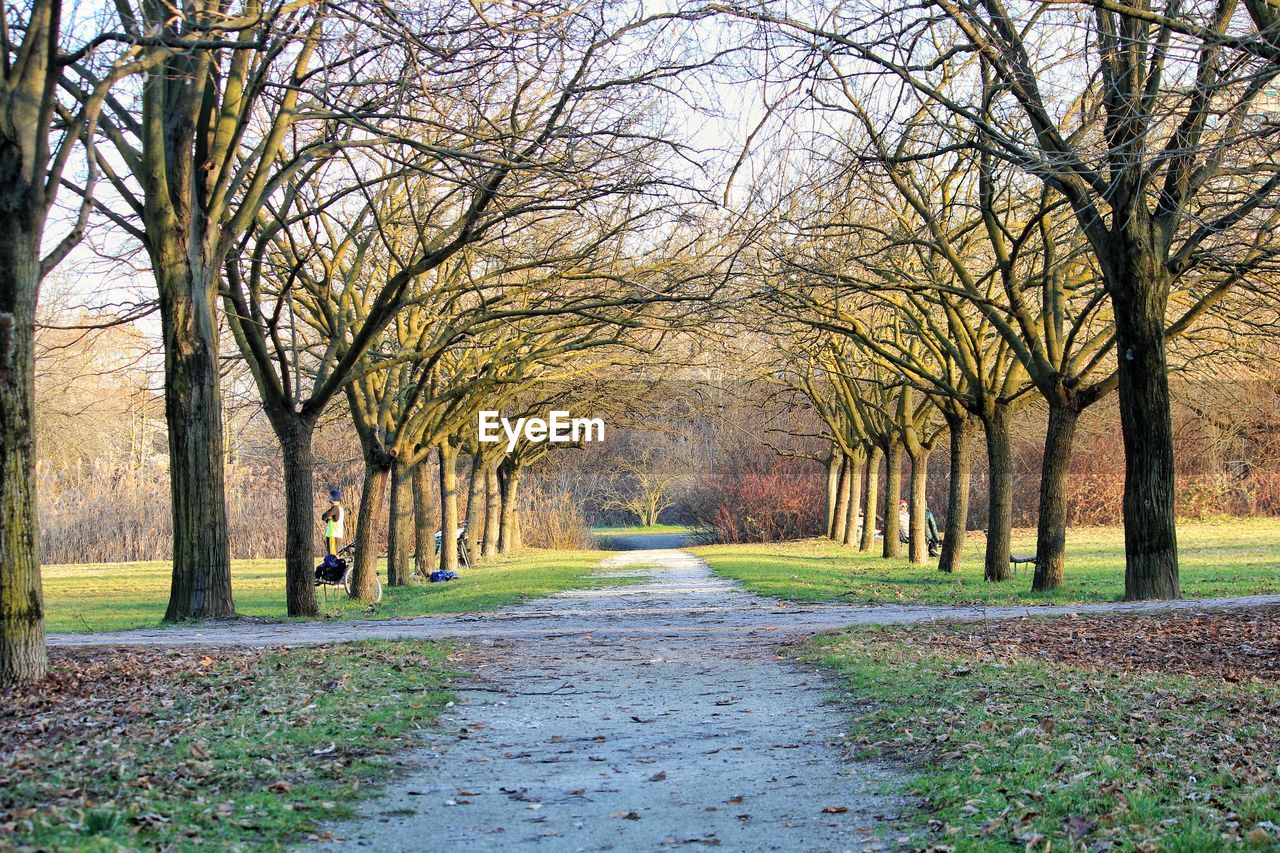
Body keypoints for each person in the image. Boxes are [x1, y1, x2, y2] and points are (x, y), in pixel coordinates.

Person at [322, 487, 345, 556]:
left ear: (334, 498)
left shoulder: (335, 508)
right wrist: (328, 519)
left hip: (333, 535)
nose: (329, 498)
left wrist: (327, 518)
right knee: (335, 555)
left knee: (333, 556)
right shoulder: (340, 508)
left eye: (331, 496)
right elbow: (331, 520)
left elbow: (324, 516)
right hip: (337, 535)